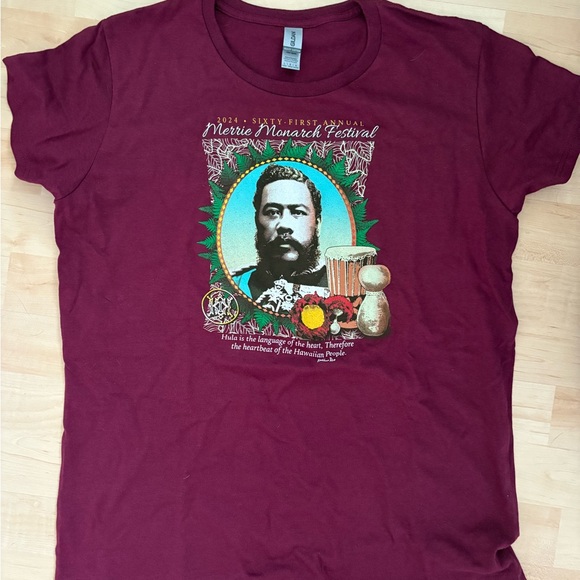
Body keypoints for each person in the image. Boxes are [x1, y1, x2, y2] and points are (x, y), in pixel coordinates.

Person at [233, 163, 328, 311]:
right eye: (272, 212)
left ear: (317, 224)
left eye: (298, 212)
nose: (284, 224)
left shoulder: (343, 288)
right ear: (256, 221)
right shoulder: (234, 286)